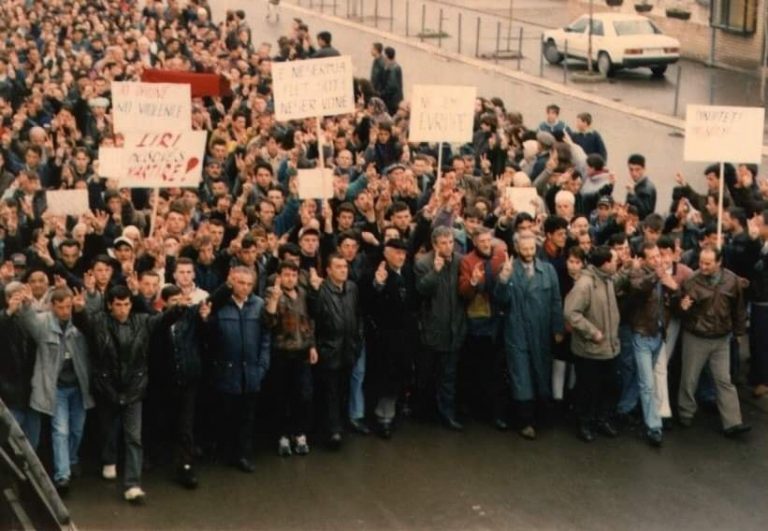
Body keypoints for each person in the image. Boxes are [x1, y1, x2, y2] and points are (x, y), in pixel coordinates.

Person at [72, 284, 185, 504]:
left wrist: (178, 309)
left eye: (126, 304)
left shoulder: (142, 321)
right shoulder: (99, 321)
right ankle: (109, 459)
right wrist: (78, 310)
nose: (123, 309)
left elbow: (162, 321)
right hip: (108, 387)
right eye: (118, 305)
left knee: (134, 437)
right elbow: (83, 323)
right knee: (109, 430)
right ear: (110, 306)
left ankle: (133, 485)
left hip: (134, 387)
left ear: (131, 305)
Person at [18, 286, 93, 494]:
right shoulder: (43, 324)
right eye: (61, 307)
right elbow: (28, 319)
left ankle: (71, 459)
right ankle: (62, 475)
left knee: (77, 429)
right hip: (57, 389)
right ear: (52, 307)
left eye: (68, 307)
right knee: (61, 431)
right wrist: (26, 303)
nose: (65, 311)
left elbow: (93, 321)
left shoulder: (78, 323)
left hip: (78, 387)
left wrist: (87, 302)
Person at [495, 231, 564, 440]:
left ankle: (541, 415)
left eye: (532, 248)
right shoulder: (508, 270)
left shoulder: (548, 270)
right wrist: (504, 279)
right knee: (521, 376)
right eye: (524, 249)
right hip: (517, 332)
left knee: (540, 372)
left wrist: (557, 328)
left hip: (541, 331)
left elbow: (555, 301)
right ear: (516, 248)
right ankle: (525, 421)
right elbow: (501, 300)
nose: (528, 253)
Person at [677, 247, 751, 437]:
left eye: (708, 263)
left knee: (724, 381)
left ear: (719, 262)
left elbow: (739, 309)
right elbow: (680, 308)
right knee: (689, 378)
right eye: (701, 262)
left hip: (721, 339)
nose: (703, 266)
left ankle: (733, 423)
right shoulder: (692, 281)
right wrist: (683, 307)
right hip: (696, 337)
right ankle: (685, 413)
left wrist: (739, 331)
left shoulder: (731, 281)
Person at [206, 267, 271, 472]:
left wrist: (262, 366)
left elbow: (265, 338)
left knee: (247, 417)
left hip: (251, 371)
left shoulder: (259, 304)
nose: (244, 287)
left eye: (248, 284)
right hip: (226, 370)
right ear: (231, 282)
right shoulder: (220, 305)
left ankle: (243, 455)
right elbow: (208, 335)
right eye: (240, 283)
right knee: (226, 414)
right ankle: (225, 451)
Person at [564, 246, 621, 443]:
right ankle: (584, 423)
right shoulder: (585, 284)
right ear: (605, 263)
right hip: (590, 350)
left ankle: (601, 419)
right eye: (614, 259)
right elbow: (571, 313)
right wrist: (592, 332)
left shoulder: (608, 280)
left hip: (609, 348)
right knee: (588, 389)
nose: (617, 262)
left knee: (609, 386)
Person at [414, 226, 467, 430]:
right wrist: (435, 272)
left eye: (451, 242)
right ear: (435, 244)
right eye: (444, 243)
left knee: (449, 376)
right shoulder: (423, 263)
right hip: (432, 329)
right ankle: (425, 412)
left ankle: (447, 414)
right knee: (427, 374)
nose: (448, 247)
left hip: (455, 328)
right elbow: (421, 290)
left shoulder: (460, 261)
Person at [626, 243, 679, 447]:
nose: (658, 260)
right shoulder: (638, 274)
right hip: (642, 335)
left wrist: (674, 290)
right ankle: (653, 426)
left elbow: (673, 302)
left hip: (658, 335)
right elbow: (639, 287)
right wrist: (658, 275)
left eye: (658, 256)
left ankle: (625, 407)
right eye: (652, 257)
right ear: (644, 260)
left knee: (641, 379)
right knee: (647, 384)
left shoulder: (664, 276)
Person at [264, 261, 317, 455]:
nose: (290, 279)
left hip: (301, 351)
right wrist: (274, 301)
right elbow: (268, 321)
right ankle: (283, 436)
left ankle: (299, 433)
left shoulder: (302, 293)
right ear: (279, 276)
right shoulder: (272, 293)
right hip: (281, 352)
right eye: (286, 275)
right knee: (281, 396)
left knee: (303, 395)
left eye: (293, 275)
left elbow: (309, 321)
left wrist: (312, 345)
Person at [367, 239, 418, 438]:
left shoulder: (406, 273)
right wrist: (377, 285)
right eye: (397, 253)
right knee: (386, 378)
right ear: (386, 253)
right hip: (385, 337)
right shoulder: (378, 273)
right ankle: (383, 418)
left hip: (405, 335)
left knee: (400, 376)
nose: (401, 256)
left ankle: (394, 412)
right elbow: (371, 302)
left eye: (403, 253)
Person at [310, 254, 363, 447]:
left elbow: (357, 316)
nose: (343, 270)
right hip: (329, 349)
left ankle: (339, 425)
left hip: (348, 348)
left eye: (345, 267)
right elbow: (314, 317)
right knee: (329, 392)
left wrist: (357, 342)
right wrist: (317, 347)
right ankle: (332, 431)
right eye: (338, 267)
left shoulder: (352, 288)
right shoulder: (322, 290)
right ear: (329, 270)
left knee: (343, 390)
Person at [0, 282, 40, 448]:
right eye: (16, 297)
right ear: (7, 298)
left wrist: (29, 307)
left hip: (33, 387)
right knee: (12, 437)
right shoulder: (4, 318)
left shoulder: (30, 317)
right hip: (10, 387)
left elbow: (41, 335)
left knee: (33, 438)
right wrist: (9, 311)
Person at [625, 154, 656, 220]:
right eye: (631, 170)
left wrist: (632, 194)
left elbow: (645, 213)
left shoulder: (647, 188)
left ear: (644, 169)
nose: (634, 173)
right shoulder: (637, 185)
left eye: (637, 169)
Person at [381, 47, 404, 115]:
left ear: (386, 56)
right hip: (396, 100)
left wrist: (382, 94)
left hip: (392, 102)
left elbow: (392, 86)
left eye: (384, 55)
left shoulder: (393, 68)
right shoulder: (394, 66)